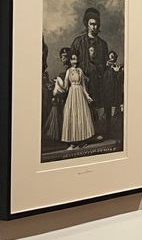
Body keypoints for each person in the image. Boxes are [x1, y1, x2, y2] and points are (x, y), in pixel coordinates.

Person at [71, 8, 110, 140]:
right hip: (81, 83)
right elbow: (72, 62)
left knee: (98, 105)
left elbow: (105, 66)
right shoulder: (78, 42)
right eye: (91, 23)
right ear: (86, 24)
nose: (94, 26)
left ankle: (99, 132)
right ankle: (82, 134)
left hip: (98, 82)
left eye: (96, 24)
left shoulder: (103, 45)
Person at [60, 52, 95, 148]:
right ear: (70, 61)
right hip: (72, 94)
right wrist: (58, 83)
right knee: (72, 115)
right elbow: (65, 86)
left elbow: (83, 85)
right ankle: (73, 141)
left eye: (76, 59)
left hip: (80, 93)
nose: (74, 61)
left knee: (81, 115)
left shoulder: (80, 71)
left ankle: (82, 140)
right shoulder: (68, 71)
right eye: (72, 59)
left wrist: (87, 96)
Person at [43, 47, 70, 142]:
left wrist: (58, 81)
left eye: (65, 57)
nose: (63, 59)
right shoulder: (64, 71)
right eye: (62, 57)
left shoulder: (70, 70)